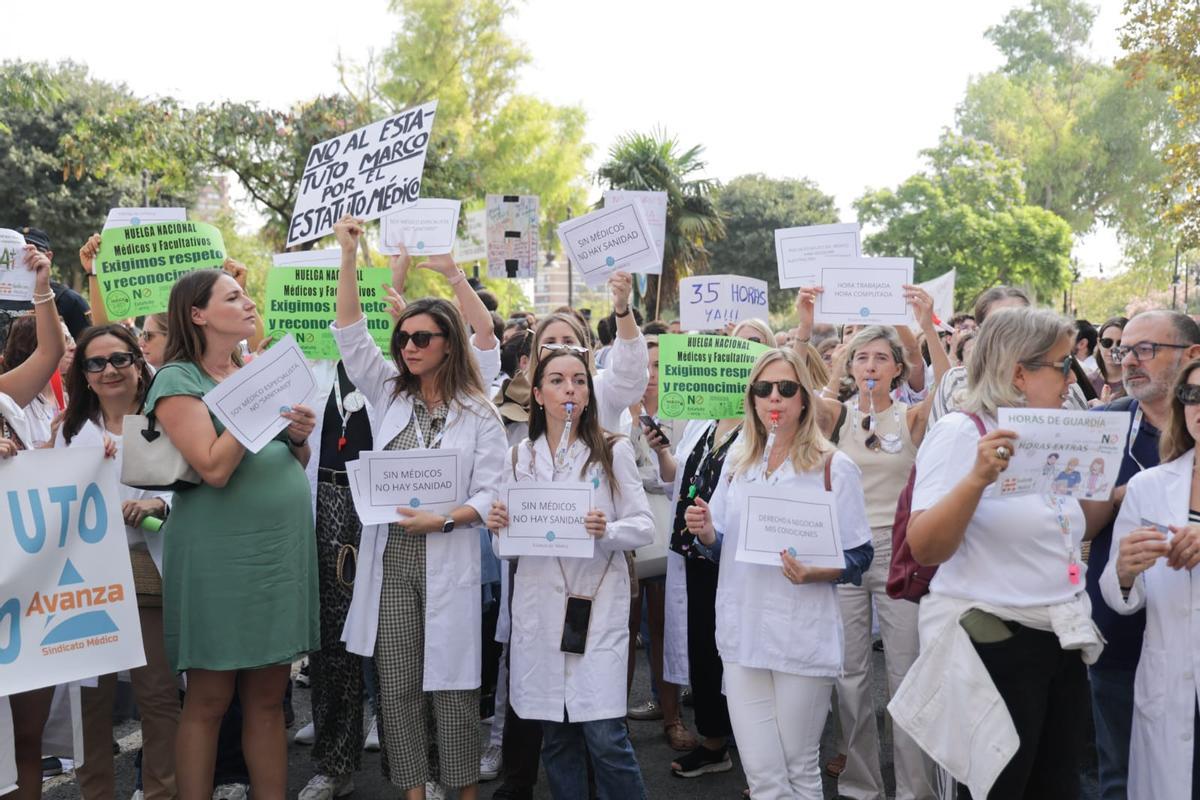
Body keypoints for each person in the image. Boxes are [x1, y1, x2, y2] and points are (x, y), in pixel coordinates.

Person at [893, 307, 1108, 798]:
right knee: (996, 788)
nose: (1071, 378)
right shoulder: (962, 433)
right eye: (1062, 366)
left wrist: (1113, 485)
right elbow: (924, 545)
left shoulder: (1047, 430)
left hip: (1060, 637)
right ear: (1018, 372)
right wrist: (976, 478)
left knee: (1055, 786)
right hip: (992, 644)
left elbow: (1070, 529)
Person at [332, 216, 506, 800]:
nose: (408, 347)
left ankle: (461, 789)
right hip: (394, 563)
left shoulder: (478, 412)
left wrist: (449, 518)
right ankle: (412, 790)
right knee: (399, 685)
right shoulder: (387, 393)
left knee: (453, 686)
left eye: (422, 338)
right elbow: (351, 332)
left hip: (449, 554)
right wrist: (350, 256)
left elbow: (492, 491)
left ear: (448, 343)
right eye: (403, 339)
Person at [145, 268, 319, 800]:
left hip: (277, 551)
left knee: (269, 699)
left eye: (245, 294)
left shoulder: (246, 370)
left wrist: (297, 437)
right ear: (198, 314)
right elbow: (214, 468)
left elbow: (290, 458)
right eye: (234, 296)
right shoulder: (177, 379)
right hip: (220, 557)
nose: (248, 303)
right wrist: (255, 405)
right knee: (210, 699)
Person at [685, 348, 873, 799]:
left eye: (787, 388)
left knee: (799, 769)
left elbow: (860, 556)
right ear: (750, 397)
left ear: (804, 398)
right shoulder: (738, 462)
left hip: (800, 635)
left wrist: (815, 572)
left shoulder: (833, 467)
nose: (775, 398)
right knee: (764, 776)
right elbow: (723, 545)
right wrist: (709, 533)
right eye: (764, 388)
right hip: (743, 632)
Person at [486, 347, 654, 800]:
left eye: (579, 380)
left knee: (604, 736)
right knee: (556, 738)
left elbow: (644, 526)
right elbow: (506, 547)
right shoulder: (520, 457)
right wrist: (499, 528)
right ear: (537, 394)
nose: (570, 389)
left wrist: (608, 529)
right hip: (540, 610)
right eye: (558, 381)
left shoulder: (612, 450)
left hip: (595, 605)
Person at [823, 314, 946, 800]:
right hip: (845, 553)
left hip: (899, 552)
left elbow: (953, 382)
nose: (870, 365)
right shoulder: (835, 416)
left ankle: (917, 789)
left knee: (906, 671)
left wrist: (926, 329)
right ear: (850, 366)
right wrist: (836, 364)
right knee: (849, 675)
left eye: (880, 357)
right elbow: (808, 404)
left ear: (898, 368)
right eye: (861, 357)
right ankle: (860, 785)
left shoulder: (913, 416)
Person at [54, 324, 179, 800]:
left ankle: (162, 792)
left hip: (149, 578)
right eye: (95, 363)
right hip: (87, 584)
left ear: (138, 362)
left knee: (159, 697)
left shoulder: (164, 422)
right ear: (83, 375)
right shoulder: (68, 433)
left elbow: (183, 494)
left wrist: (155, 508)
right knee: (90, 704)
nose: (109, 371)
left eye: (119, 359)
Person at [646, 321, 771, 779]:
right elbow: (677, 476)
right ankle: (714, 741)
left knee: (736, 651)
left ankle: (757, 754)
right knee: (703, 646)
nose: (741, 354)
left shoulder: (763, 427)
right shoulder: (703, 418)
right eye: (735, 345)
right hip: (694, 553)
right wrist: (662, 452)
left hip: (733, 555)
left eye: (752, 347)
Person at [1085, 310, 1200, 799]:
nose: (1128, 361)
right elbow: (1086, 537)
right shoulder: (1101, 426)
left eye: (1144, 350)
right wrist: (1113, 503)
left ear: (1191, 355)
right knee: (1123, 775)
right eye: (1121, 351)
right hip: (1127, 639)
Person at [0, 244, 66, 800]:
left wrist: (41, 283)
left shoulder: (4, 397)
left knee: (27, 732)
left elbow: (48, 352)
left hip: (23, 591)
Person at [625, 336, 695, 751]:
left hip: (668, 525)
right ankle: (615, 721)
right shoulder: (611, 408)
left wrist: (661, 454)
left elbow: (679, 472)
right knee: (624, 626)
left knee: (665, 625)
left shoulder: (683, 412)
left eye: (658, 365)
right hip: (624, 527)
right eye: (643, 365)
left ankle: (672, 716)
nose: (650, 374)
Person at [0, 227, 90, 350]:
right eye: (18, 252)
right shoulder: (3, 292)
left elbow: (89, 348)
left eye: (34, 251)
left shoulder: (68, 300)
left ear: (48, 257)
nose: (26, 257)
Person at [1094, 316, 1128, 402]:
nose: (1113, 348)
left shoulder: (1138, 382)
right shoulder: (1086, 381)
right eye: (1107, 342)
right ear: (1098, 343)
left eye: (1120, 343)